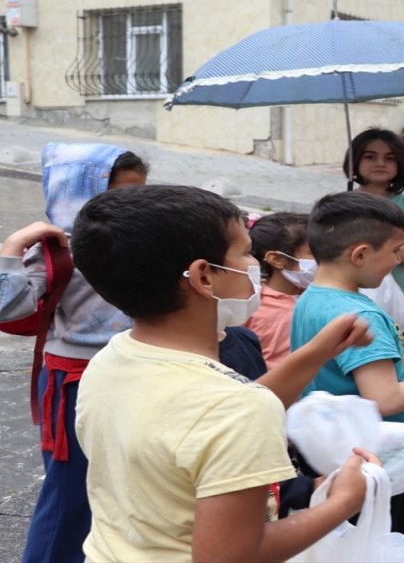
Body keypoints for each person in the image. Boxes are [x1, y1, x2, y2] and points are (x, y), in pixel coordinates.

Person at [69, 184, 380, 561]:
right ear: (204, 277)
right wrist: (343, 502)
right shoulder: (235, 410)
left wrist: (316, 353)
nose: (255, 265)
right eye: (246, 251)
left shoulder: (113, 358)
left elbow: (214, 419)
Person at [0, 143, 147, 563]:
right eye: (117, 194)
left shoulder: (144, 238)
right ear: (76, 191)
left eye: (138, 193)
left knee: (126, 484)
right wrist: (15, 245)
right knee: (70, 492)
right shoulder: (56, 248)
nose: (130, 204)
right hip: (74, 380)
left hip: (135, 373)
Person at [291, 191, 404, 540]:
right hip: (372, 459)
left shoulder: (312, 298)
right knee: (389, 536)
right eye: (394, 251)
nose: (398, 259)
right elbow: (384, 398)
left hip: (333, 452)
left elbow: (348, 363)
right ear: (359, 254)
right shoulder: (362, 313)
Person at [343, 128, 404, 340]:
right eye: (370, 156)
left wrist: (364, 240)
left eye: (390, 158)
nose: (380, 163)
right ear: (355, 160)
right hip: (347, 303)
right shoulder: (339, 205)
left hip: (397, 308)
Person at [246, 212, 312, 368]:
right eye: (314, 252)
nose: (327, 256)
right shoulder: (253, 307)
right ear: (278, 259)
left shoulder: (323, 296)